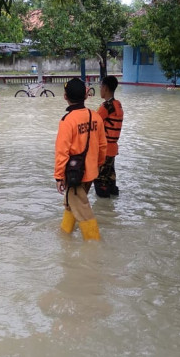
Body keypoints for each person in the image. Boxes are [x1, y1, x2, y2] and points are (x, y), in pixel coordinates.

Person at [54, 78, 106, 241]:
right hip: (90, 172)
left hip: (74, 175)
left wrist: (58, 176)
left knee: (83, 211)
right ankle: (64, 236)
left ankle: (94, 247)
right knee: (72, 205)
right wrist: (96, 165)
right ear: (86, 95)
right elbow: (103, 146)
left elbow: (62, 152)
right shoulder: (96, 116)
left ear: (65, 97)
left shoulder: (67, 120)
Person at [93, 75, 123, 198]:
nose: (100, 89)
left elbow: (93, 122)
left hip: (104, 150)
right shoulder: (118, 104)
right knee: (111, 182)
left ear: (105, 88)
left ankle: (102, 214)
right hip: (112, 149)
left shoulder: (106, 107)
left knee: (100, 182)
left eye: (100, 86)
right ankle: (111, 213)